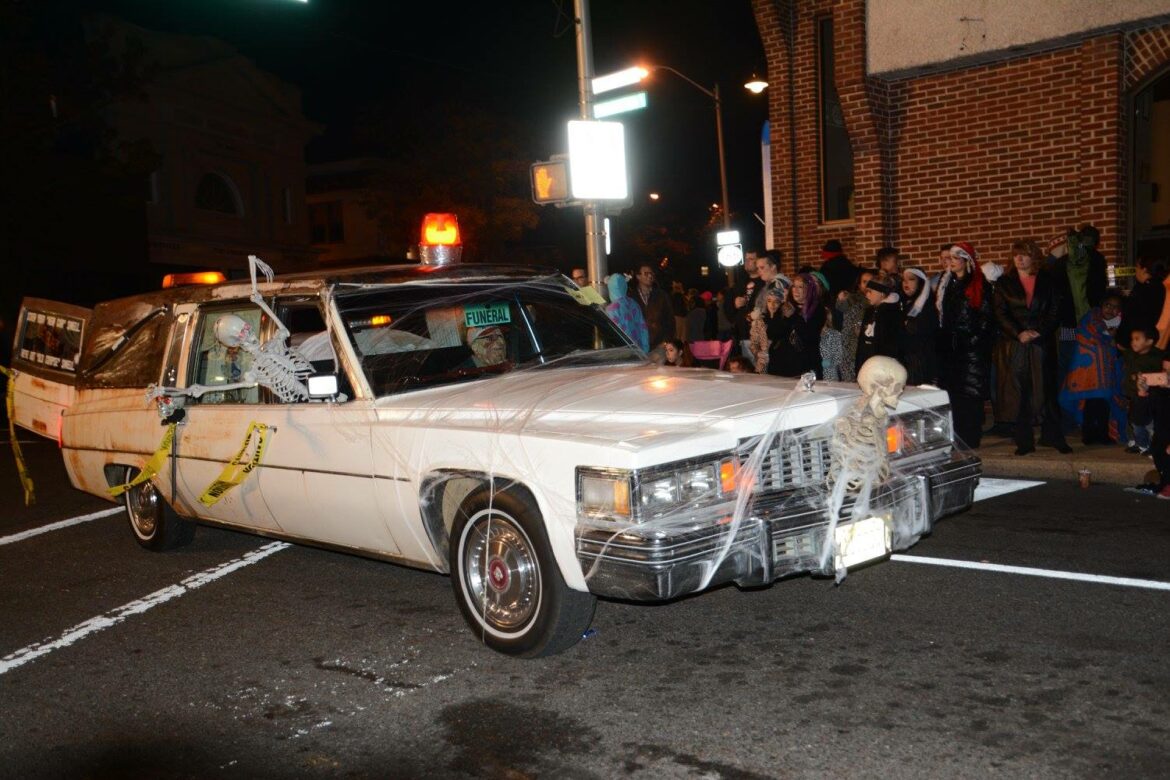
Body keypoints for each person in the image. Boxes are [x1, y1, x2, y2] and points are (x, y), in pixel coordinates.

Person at [993, 239, 1072, 455]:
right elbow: (1000, 313)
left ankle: (1054, 437)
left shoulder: (1048, 280)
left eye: (1024, 254)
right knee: (1021, 393)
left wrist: (1040, 331)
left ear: (1034, 257)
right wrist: (1019, 333)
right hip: (1016, 344)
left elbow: (1055, 310)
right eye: (1016, 254)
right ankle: (1024, 442)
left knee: (1047, 390)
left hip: (1041, 342)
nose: (1019, 258)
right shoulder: (1004, 283)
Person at [936, 242, 995, 448]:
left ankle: (971, 436)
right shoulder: (949, 284)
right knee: (955, 393)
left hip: (971, 349)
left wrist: (974, 341)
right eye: (949, 258)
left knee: (971, 394)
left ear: (966, 261)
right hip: (953, 348)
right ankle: (958, 435)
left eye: (955, 258)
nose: (950, 262)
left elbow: (986, 317)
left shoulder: (978, 284)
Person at [1058, 293, 1126, 446]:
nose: (1110, 309)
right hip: (1088, 375)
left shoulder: (1119, 323)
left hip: (1106, 376)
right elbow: (1086, 339)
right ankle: (1089, 435)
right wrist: (1108, 336)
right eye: (1108, 305)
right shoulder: (1090, 320)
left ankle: (1102, 434)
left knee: (1103, 404)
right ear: (1101, 305)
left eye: (1115, 307)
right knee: (1090, 403)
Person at [768, 274, 825, 378]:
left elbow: (809, 335)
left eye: (800, 287)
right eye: (794, 286)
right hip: (781, 364)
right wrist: (783, 318)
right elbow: (771, 333)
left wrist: (793, 316)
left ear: (809, 289)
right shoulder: (785, 307)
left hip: (804, 364)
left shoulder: (817, 309)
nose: (795, 290)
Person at [1122, 327, 1165, 455]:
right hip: (1134, 394)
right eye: (1132, 339)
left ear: (1149, 341)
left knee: (1148, 423)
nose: (1133, 342)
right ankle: (1139, 443)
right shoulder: (1131, 354)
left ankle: (1151, 445)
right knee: (1133, 419)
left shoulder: (1157, 357)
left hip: (1150, 397)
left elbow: (1160, 376)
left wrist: (1142, 377)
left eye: (1137, 339)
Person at [854, 278, 902, 376]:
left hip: (882, 365)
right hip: (866, 360)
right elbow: (862, 342)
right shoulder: (869, 311)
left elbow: (888, 343)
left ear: (881, 293)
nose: (867, 295)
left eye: (870, 292)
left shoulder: (890, 313)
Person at [897, 268, 937, 386]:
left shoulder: (927, 306)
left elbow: (922, 332)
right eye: (903, 280)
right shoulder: (903, 303)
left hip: (920, 361)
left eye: (911, 279)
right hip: (906, 359)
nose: (906, 283)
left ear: (920, 283)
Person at [1117, 256, 1167, 349]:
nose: (1135, 271)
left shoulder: (1144, 288)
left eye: (1137, 267)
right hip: (1145, 339)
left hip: (1136, 341)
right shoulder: (1159, 287)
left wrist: (1123, 340)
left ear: (1144, 270)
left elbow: (1132, 315)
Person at [835, 268, 875, 382]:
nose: (867, 285)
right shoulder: (853, 298)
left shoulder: (874, 302)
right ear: (859, 284)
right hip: (848, 345)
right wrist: (841, 298)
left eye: (870, 282)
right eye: (864, 282)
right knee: (849, 381)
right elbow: (841, 307)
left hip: (864, 346)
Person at [632, 262, 675, 352]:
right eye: (646, 273)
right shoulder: (631, 297)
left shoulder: (661, 296)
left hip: (658, 346)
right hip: (638, 346)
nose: (650, 276)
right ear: (638, 276)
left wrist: (666, 342)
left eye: (651, 273)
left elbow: (670, 321)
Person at [604, 273, 650, 351]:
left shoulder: (611, 309)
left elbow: (613, 334)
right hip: (638, 350)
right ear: (625, 286)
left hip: (623, 353)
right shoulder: (634, 303)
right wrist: (645, 349)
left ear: (610, 288)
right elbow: (643, 328)